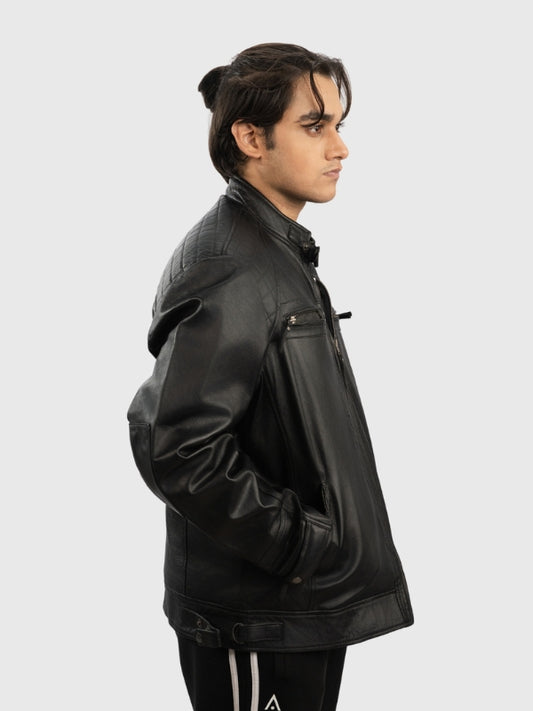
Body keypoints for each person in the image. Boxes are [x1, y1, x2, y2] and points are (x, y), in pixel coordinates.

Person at [127, 42, 413, 711]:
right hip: (258, 617)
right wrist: (300, 543)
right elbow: (174, 444)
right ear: (251, 138)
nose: (340, 148)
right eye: (315, 127)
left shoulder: (275, 250)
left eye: (338, 125)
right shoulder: (231, 265)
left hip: (295, 606)